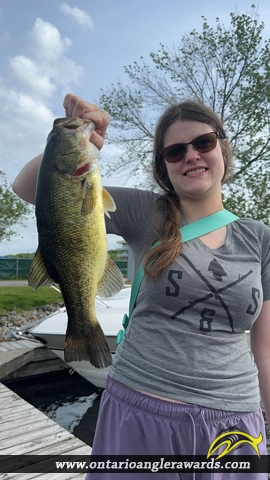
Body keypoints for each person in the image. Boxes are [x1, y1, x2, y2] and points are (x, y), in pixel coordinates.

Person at [13, 94, 270, 480]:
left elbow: (265, 347)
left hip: (233, 425)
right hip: (139, 409)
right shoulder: (145, 211)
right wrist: (76, 139)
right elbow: (27, 188)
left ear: (222, 147)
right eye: (175, 150)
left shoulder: (259, 238)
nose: (192, 156)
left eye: (203, 142)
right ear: (163, 165)